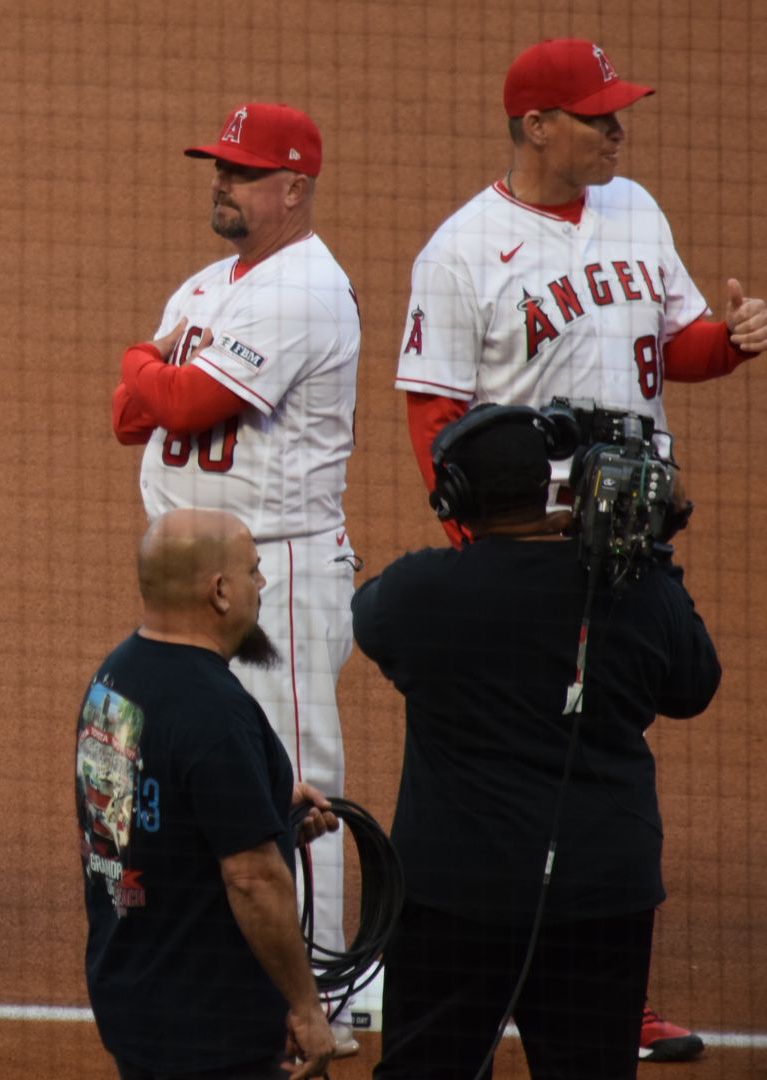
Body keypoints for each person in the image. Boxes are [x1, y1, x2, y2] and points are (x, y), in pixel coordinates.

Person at [393, 37, 764, 1059]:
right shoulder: (463, 248)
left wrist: (728, 342)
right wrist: (473, 543)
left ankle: (610, 991)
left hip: (632, 541)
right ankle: (496, 970)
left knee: (608, 757)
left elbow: (672, 345)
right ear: (534, 126)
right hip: (525, 548)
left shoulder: (636, 208)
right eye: (596, 114)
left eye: (617, 111)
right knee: (516, 759)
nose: (617, 127)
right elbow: (433, 408)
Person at [354, 405, 720, 1078]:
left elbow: (367, 618)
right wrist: (652, 551)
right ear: (557, 487)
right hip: (601, 893)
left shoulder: (417, 593)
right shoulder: (636, 593)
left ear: (456, 498)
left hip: (452, 894)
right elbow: (693, 687)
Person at [110, 101, 362, 1054]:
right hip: (196, 573)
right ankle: (262, 960)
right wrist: (148, 373)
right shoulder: (209, 284)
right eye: (219, 166)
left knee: (298, 776)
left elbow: (181, 395)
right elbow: (129, 416)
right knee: (224, 768)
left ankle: (328, 983)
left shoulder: (305, 288)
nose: (221, 181)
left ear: (294, 187)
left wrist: (148, 366)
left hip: (277, 574)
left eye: (243, 171)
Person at [80, 508, 338, 1080]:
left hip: (132, 996)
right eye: (253, 571)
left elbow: (147, 806)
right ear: (220, 592)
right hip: (209, 1026)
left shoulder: (114, 678)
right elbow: (252, 878)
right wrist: (304, 1006)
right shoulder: (215, 712)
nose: (262, 584)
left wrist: (266, 801)